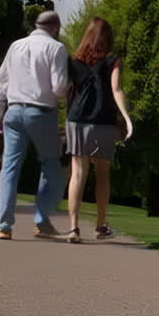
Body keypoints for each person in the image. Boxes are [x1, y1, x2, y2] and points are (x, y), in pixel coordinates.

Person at [0, 10, 70, 240]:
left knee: (10, 167)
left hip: (13, 111)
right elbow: (58, 87)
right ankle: (42, 221)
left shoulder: (16, 46)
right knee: (51, 165)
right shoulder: (56, 48)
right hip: (41, 112)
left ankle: (3, 225)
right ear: (55, 27)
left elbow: (0, 83)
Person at [64, 17, 134, 243]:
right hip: (102, 122)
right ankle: (100, 226)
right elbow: (116, 89)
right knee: (102, 173)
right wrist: (126, 117)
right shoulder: (112, 60)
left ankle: (73, 228)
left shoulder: (74, 62)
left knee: (77, 172)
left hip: (76, 120)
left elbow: (63, 89)